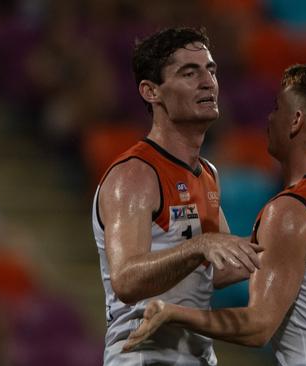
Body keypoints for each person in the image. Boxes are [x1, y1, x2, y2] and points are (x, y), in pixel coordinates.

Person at [123, 64, 306, 365]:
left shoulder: (289, 211)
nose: (270, 118)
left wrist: (174, 313)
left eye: (277, 107)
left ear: (296, 121)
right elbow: (291, 255)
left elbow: (257, 327)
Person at [92, 27, 263, 365]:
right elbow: (125, 280)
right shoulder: (135, 174)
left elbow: (221, 267)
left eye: (210, 70)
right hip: (144, 354)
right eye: (189, 72)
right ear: (151, 91)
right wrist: (198, 246)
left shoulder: (207, 172)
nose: (207, 82)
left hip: (196, 354)